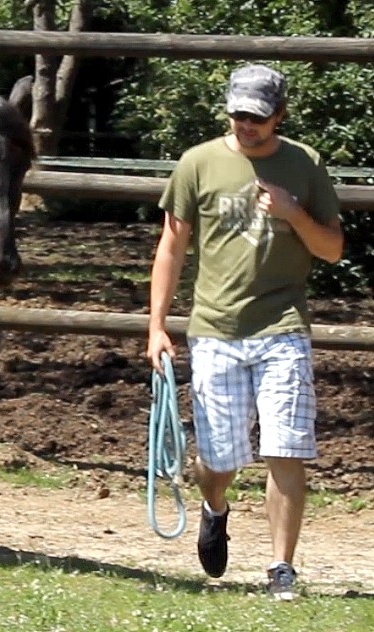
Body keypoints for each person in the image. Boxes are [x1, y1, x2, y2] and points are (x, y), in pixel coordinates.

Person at [146, 63, 344, 600]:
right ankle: (216, 505)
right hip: (215, 329)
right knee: (220, 460)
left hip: (283, 326)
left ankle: (282, 567)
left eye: (257, 116)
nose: (245, 124)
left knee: (287, 447)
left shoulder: (304, 165)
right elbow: (171, 246)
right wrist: (157, 326)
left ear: (279, 115)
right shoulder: (198, 163)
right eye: (237, 113)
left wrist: (292, 212)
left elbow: (331, 247)